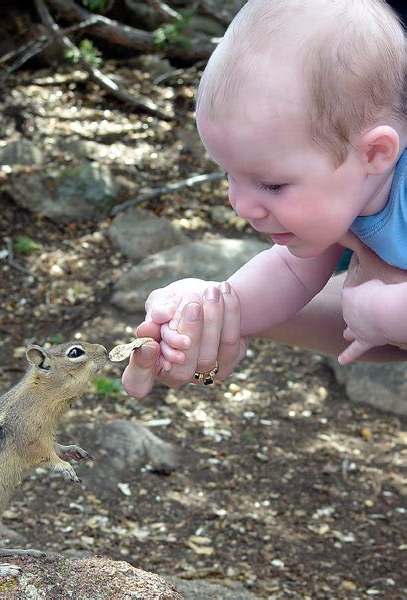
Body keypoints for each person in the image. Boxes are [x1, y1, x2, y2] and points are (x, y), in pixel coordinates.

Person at [122, 0, 407, 399]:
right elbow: (289, 274)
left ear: (376, 153)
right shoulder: (345, 196)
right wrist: (213, 312)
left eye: (271, 185)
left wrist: (385, 312)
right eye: (229, 175)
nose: (240, 205)